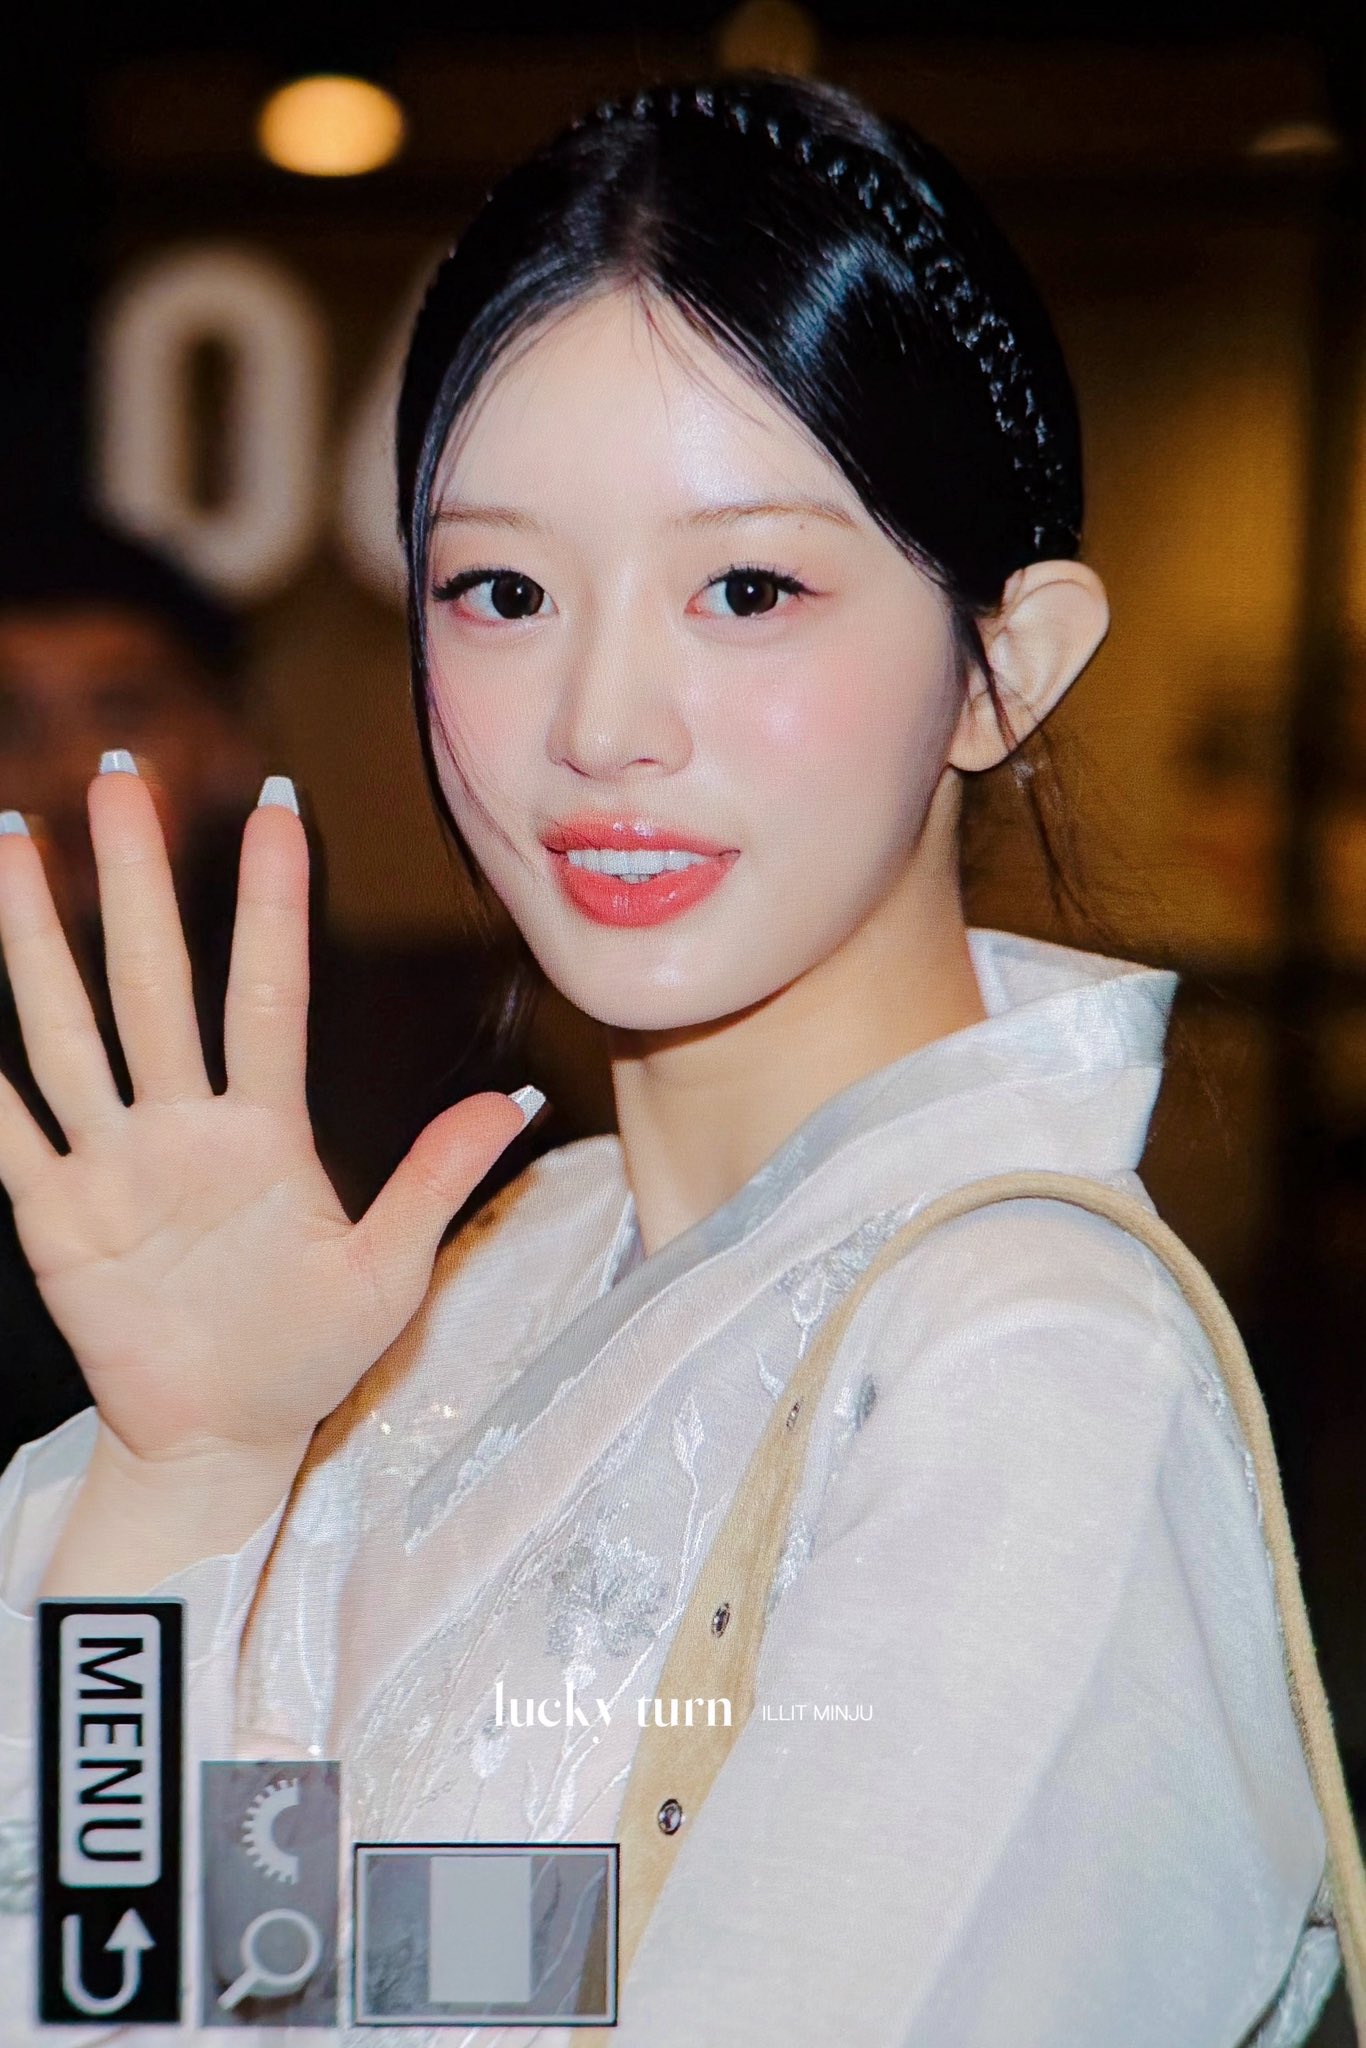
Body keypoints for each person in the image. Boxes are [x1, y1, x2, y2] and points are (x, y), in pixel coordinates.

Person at [0, 73, 1342, 2046]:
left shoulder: (1027, 1370)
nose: (600, 719)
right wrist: (178, 1485)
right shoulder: (495, 1271)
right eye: (502, 592)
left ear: (1006, 662)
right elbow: (169, 1965)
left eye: (747, 590)